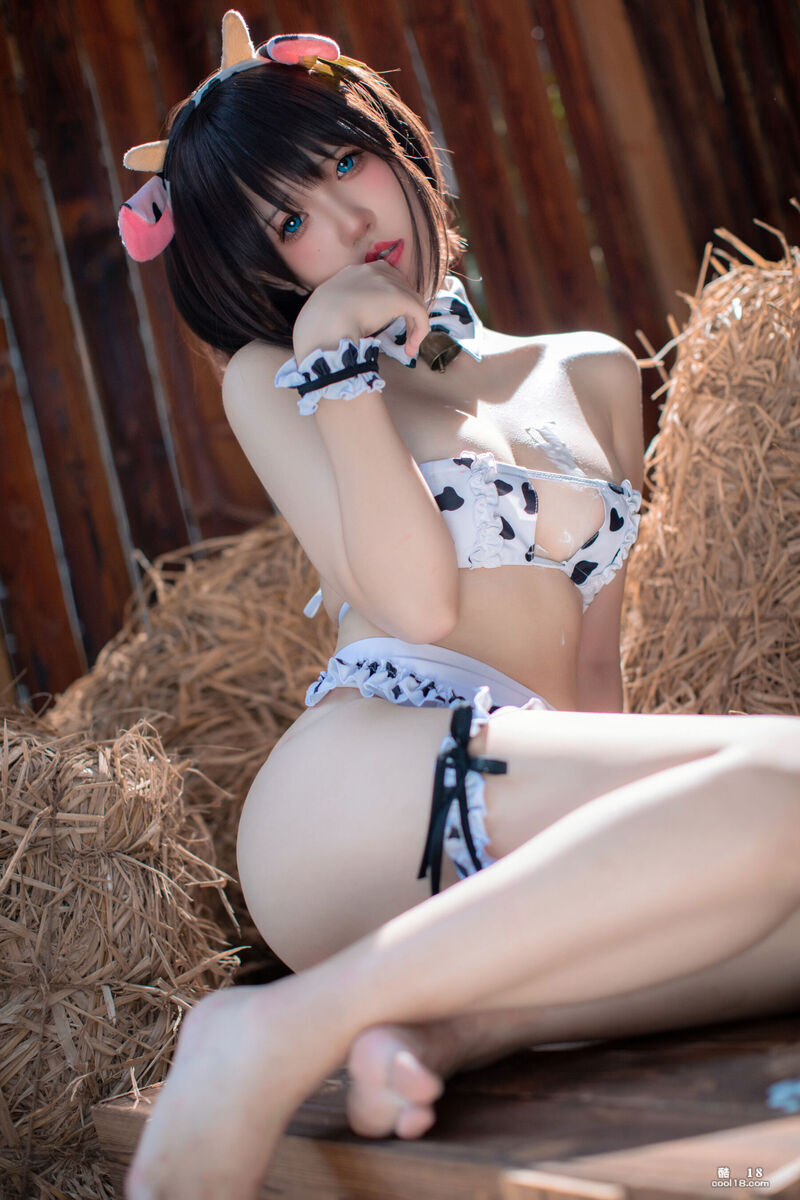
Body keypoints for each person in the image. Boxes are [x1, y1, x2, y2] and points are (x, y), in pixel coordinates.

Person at [119, 13, 800, 1199]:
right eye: (288, 222)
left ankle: (451, 1026)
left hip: (519, 815)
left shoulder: (589, 369)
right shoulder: (276, 377)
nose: (345, 223)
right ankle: (270, 1028)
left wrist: (651, 851)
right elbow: (417, 606)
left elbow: (592, 684)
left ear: (396, 143)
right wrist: (335, 367)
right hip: (366, 795)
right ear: (260, 268)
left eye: (344, 162)